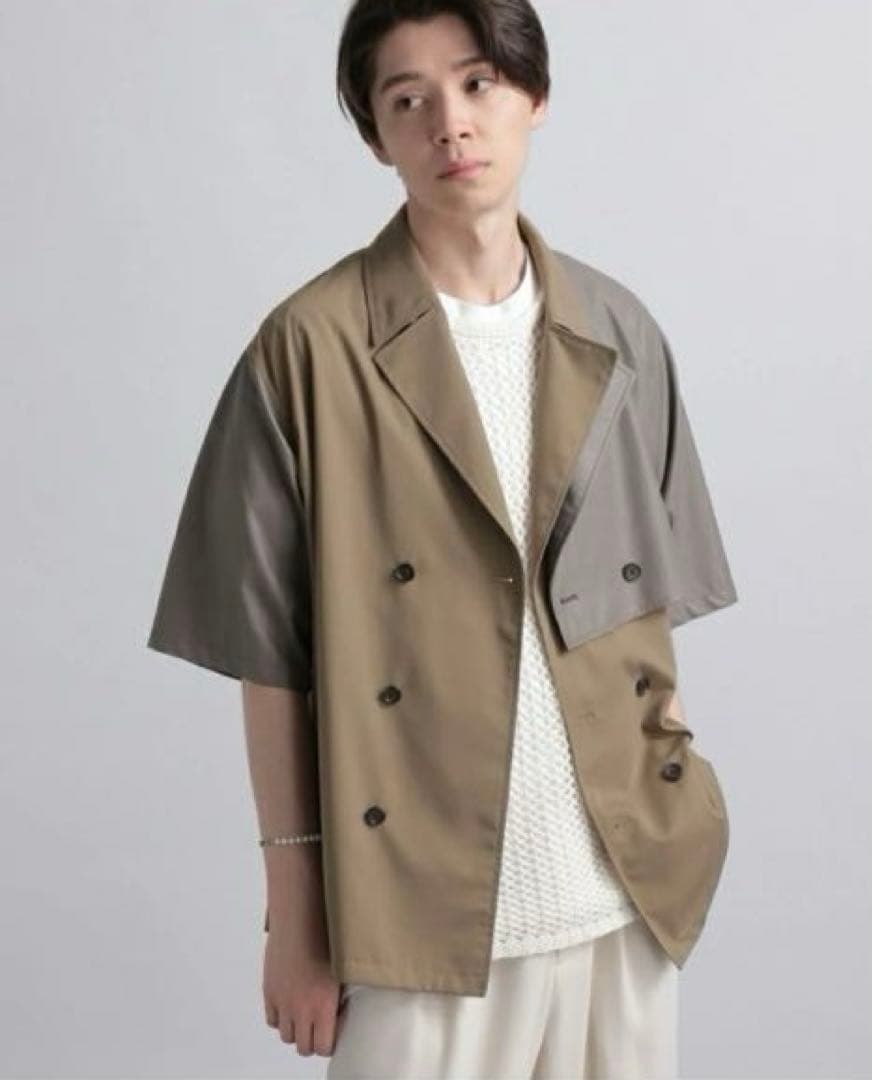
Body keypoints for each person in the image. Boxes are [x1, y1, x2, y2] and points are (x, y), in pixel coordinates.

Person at [147, 1, 739, 1076]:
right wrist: (295, 915)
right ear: (376, 136)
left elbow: (647, 612)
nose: (450, 124)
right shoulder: (308, 349)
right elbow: (270, 662)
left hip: (624, 892)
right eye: (407, 99)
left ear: (534, 97)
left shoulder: (618, 331)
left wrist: (678, 799)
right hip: (420, 909)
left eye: (477, 85)